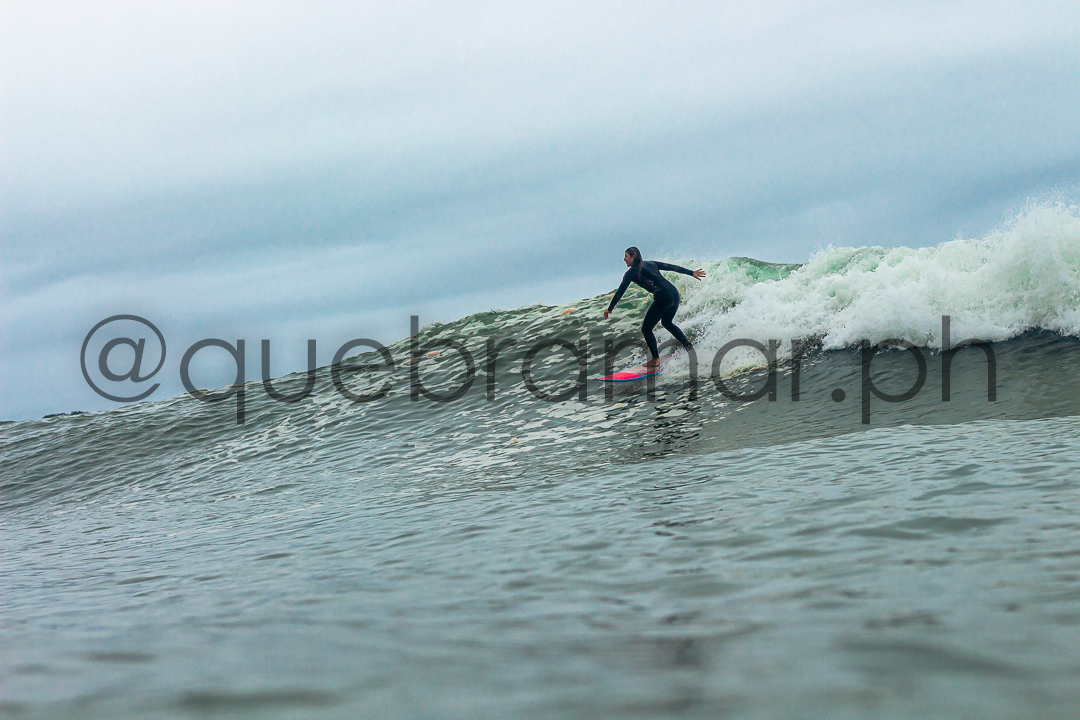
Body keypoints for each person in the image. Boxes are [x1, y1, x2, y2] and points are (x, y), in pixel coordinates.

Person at [603, 247, 706, 367]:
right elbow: (672, 267)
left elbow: (620, 292)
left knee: (646, 329)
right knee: (667, 323)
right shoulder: (650, 264)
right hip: (674, 294)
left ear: (633, 256)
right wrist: (691, 273)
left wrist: (609, 309)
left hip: (663, 297)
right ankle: (688, 347)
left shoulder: (630, 273)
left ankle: (655, 359)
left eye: (626, 256)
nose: (624, 259)